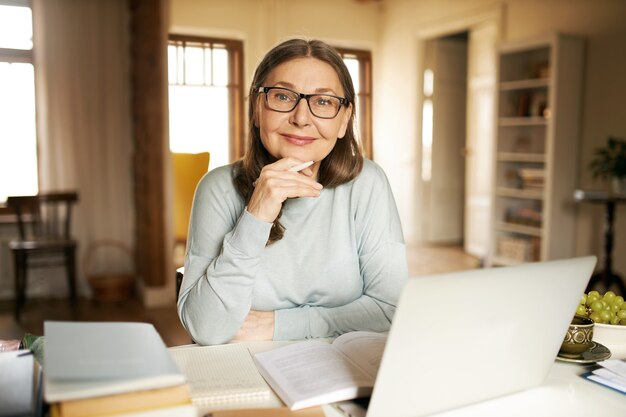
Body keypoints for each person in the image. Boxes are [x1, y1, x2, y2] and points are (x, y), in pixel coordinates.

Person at [177, 38, 408, 345]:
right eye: (283, 97)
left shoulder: (368, 183)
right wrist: (255, 217)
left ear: (344, 121)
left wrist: (278, 326)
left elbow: (391, 311)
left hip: (342, 365)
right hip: (244, 367)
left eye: (323, 102)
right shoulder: (217, 188)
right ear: (258, 109)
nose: (301, 118)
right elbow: (205, 329)